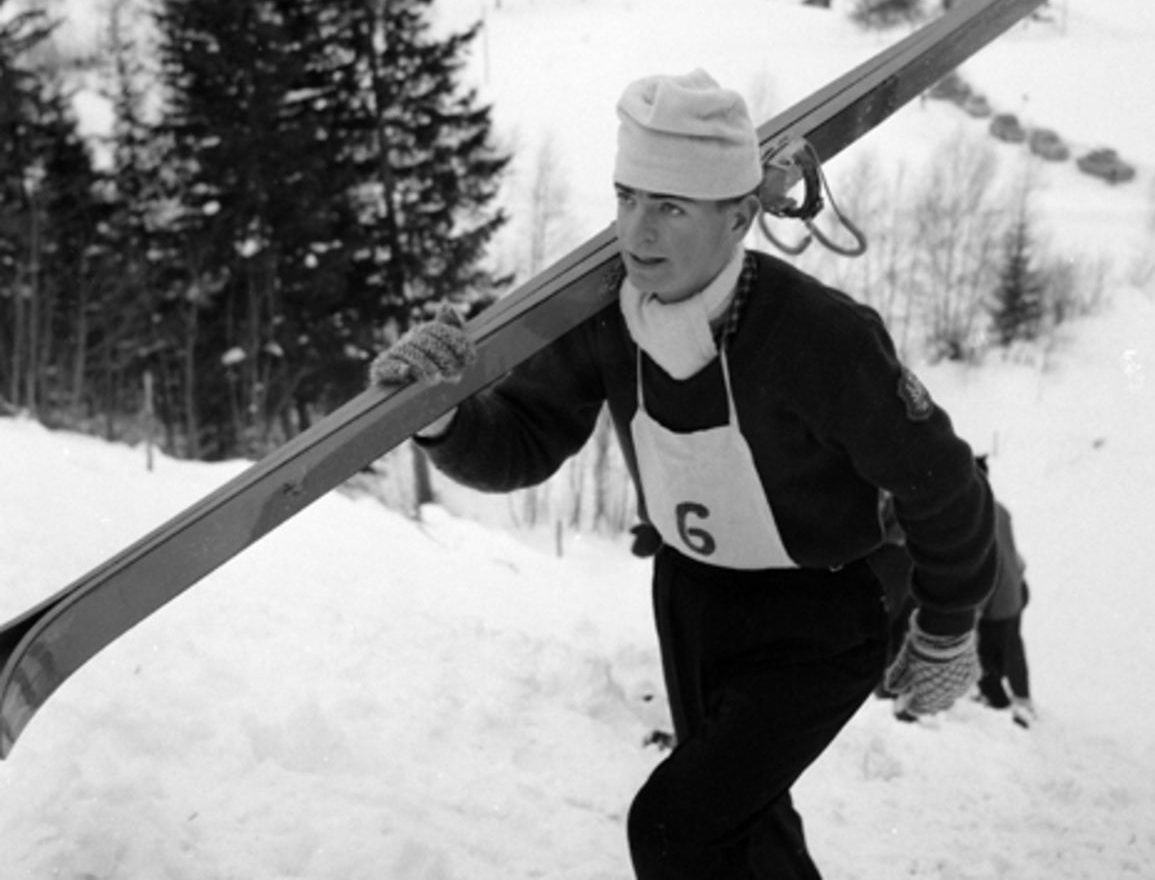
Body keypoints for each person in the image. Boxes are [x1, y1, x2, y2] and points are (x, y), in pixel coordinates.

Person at [371, 69, 997, 879]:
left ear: (739, 216)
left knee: (675, 827)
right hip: (694, 601)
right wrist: (442, 414)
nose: (638, 232)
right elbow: (524, 441)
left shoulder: (821, 338)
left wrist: (949, 622)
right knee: (748, 829)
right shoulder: (609, 318)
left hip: (819, 616)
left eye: (669, 206)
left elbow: (939, 480)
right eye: (627, 197)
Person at [974, 462, 1034, 727]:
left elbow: (987, 564)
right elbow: (1017, 559)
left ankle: (1005, 714)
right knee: (1012, 647)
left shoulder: (975, 516)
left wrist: (978, 609)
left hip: (996, 600)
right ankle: (1022, 699)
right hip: (1015, 591)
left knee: (987, 664)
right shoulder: (1000, 509)